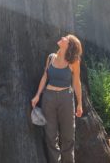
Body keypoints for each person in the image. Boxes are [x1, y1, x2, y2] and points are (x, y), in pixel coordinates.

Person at [31, 34, 83, 163]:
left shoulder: (73, 62)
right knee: (50, 135)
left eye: (66, 37)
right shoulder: (51, 57)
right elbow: (44, 77)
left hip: (66, 98)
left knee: (68, 135)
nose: (62, 37)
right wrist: (38, 95)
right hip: (48, 98)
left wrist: (79, 103)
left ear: (69, 44)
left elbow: (76, 83)